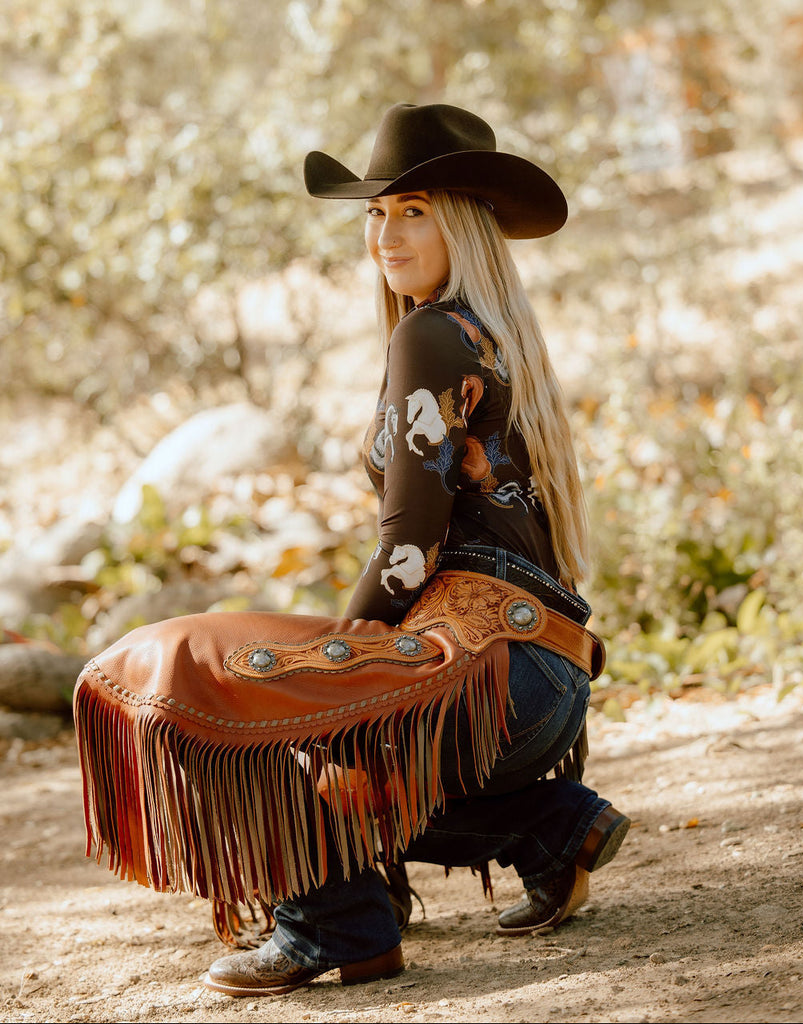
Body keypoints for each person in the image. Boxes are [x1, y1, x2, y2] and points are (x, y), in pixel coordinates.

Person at [201, 102, 630, 997]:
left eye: (414, 211)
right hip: (541, 671)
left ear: (462, 223)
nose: (386, 235)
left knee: (245, 713)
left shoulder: (427, 333)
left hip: (488, 675)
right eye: (375, 213)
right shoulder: (488, 332)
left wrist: (334, 655)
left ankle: (333, 924)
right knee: (328, 730)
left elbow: (407, 548)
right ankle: (550, 826)